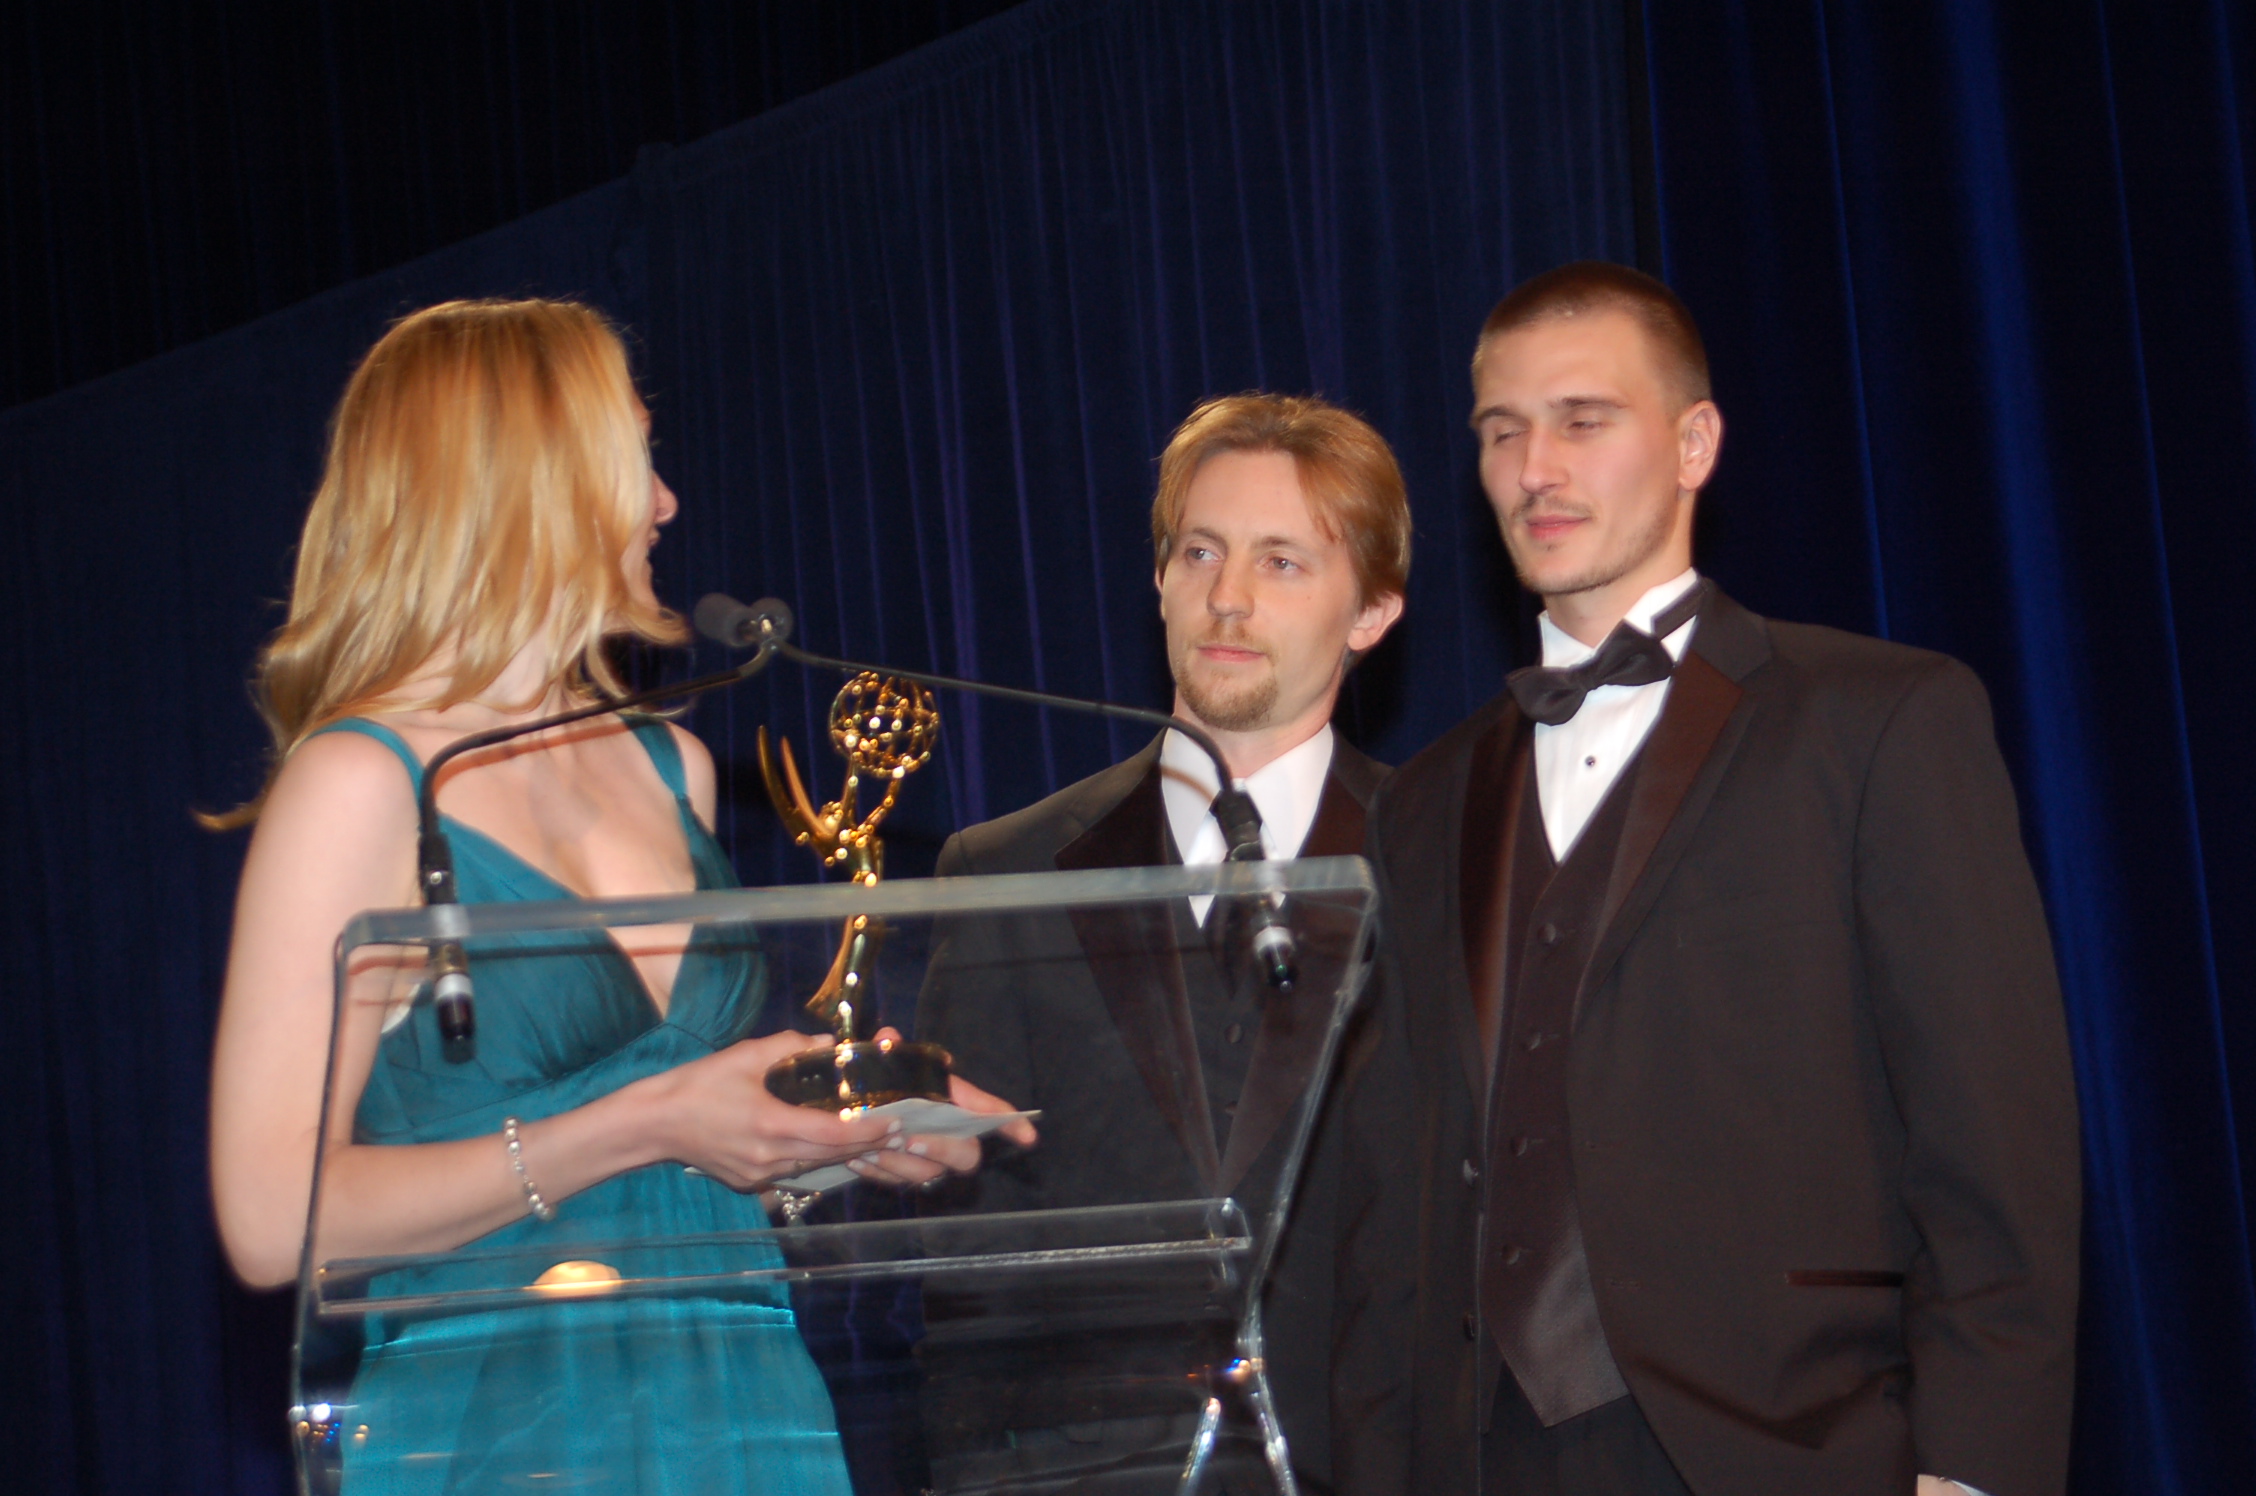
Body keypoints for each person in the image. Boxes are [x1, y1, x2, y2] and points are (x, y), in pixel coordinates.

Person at [205, 298, 1031, 1494]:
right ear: (525, 480)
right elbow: (266, 1215)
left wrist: (829, 1131)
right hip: (496, 1432)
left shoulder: (670, 764)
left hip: (746, 1408)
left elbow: (679, 1145)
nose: (667, 502)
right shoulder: (361, 783)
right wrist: (648, 1119)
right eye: (636, 457)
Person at [1332, 262, 2081, 1496]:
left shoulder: (1880, 719)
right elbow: (1389, 1204)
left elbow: (1994, 1141)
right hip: (1481, 1455)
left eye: (1582, 419)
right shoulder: (1421, 800)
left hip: (1798, 1441)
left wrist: (1975, 1468)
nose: (1534, 468)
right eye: (1502, 430)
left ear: (1695, 444)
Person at [915, 392, 1410, 1491]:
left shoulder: (1441, 858)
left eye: (1282, 561)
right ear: (1160, 577)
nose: (1228, 597)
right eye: (1201, 551)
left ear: (1372, 611)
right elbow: (969, 1258)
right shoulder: (1007, 869)